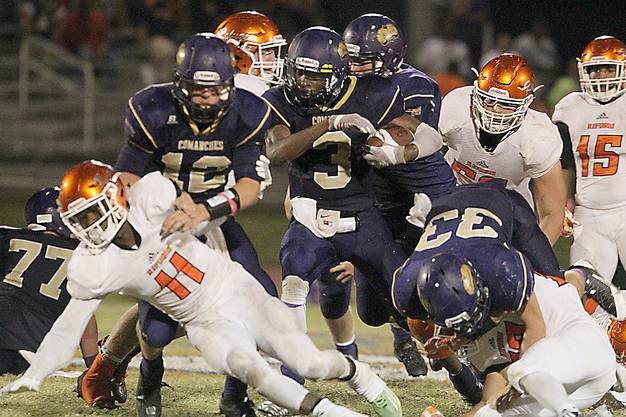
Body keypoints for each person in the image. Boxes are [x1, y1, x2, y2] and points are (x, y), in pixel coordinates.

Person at [0, 160, 403, 417]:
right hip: (201, 321)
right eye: (81, 219)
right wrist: (36, 373)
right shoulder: (93, 264)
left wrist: (204, 209)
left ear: (116, 196)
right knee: (251, 369)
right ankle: (332, 413)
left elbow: (209, 198)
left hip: (236, 289)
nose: (90, 225)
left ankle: (360, 375)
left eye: (93, 212)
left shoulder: (152, 199)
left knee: (310, 364)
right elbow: (68, 326)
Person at [80, 32, 276, 416]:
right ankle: (149, 377)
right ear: (180, 84)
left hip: (214, 222)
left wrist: (204, 210)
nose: (206, 99)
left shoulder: (248, 111)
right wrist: (156, 206)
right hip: (164, 228)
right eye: (197, 90)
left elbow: (250, 187)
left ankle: (234, 397)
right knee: (155, 332)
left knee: (259, 307)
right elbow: (128, 175)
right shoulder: (153, 110)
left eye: (215, 90)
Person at [262, 25, 445, 356]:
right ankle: (295, 367)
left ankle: (459, 365)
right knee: (296, 282)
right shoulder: (281, 98)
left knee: (405, 294)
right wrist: (330, 122)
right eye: (298, 72)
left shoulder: (373, 93)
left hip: (363, 215)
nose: (302, 82)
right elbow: (277, 152)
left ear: (336, 76)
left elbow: (431, 136)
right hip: (311, 217)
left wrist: (403, 153)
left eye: (313, 76)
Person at [314, 12, 455, 377]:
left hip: (422, 194)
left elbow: (419, 139)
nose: (354, 67)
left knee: (431, 282)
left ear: (389, 57)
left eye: (363, 60)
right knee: (371, 312)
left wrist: (397, 152)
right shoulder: (343, 85)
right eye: (351, 59)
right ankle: (401, 328)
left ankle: (463, 352)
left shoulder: (416, 86)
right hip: (377, 197)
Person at [392, 180, 563, 405]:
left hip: (502, 202)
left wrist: (520, 381)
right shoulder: (407, 292)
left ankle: (584, 278)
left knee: (557, 289)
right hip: (446, 207)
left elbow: (536, 325)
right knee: (387, 318)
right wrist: (453, 345)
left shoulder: (501, 269)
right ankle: (473, 376)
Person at [413, 251, 615, 417]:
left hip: (585, 347)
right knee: (494, 412)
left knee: (522, 370)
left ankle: (566, 411)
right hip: (575, 386)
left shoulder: (506, 283)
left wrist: (515, 380)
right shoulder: (476, 339)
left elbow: (537, 329)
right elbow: (488, 402)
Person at [440, 53, 566, 245]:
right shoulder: (456, 107)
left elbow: (553, 214)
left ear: (526, 103)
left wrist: (531, 256)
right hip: (451, 198)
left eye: (506, 104)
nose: (495, 110)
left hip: (508, 211)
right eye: (489, 100)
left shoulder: (537, 136)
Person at [552, 35, 626, 319]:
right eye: (596, 70)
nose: (602, 76)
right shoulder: (571, 108)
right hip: (589, 215)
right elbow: (564, 164)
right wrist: (560, 206)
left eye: (608, 69)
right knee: (583, 293)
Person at [0, 187, 98, 377]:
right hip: (25, 354)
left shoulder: (9, 236)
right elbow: (86, 322)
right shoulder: (82, 255)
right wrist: (95, 367)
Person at [214, 10, 287, 95]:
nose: (272, 61)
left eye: (272, 50)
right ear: (237, 54)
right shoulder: (249, 89)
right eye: (263, 53)